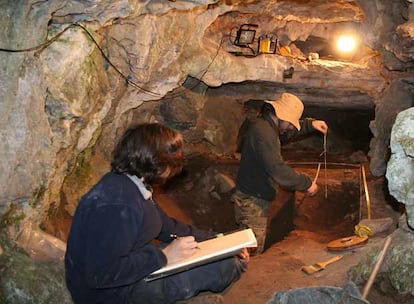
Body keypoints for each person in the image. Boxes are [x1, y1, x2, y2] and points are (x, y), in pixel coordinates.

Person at [65, 123, 249, 304]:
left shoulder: (133, 185)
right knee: (223, 266)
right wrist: (165, 256)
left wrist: (220, 241)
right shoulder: (117, 205)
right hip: (113, 294)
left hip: (133, 268)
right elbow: (101, 274)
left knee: (220, 257)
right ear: (156, 162)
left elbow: (167, 226)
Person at [232, 93, 328, 254]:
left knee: (248, 241)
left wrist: (311, 125)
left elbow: (287, 131)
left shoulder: (267, 126)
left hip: (255, 194)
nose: (291, 127)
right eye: (290, 123)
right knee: (251, 250)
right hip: (252, 200)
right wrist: (306, 183)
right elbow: (278, 169)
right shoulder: (263, 133)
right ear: (280, 116)